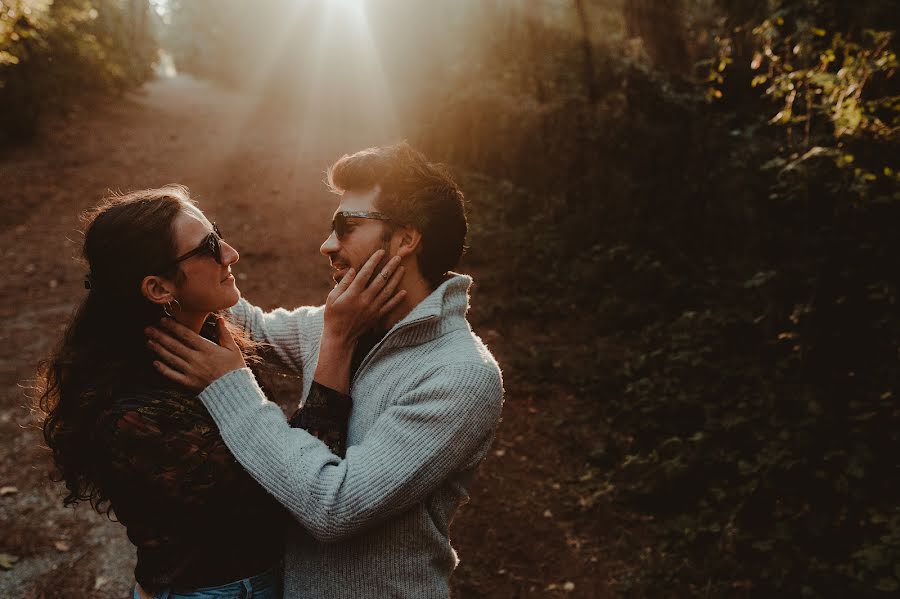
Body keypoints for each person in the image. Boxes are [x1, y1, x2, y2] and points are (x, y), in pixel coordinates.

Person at [147, 143, 505, 599]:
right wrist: (178, 256)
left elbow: (333, 506)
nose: (327, 245)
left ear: (405, 240)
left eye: (346, 227)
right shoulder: (339, 321)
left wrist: (229, 387)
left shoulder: (459, 376)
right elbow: (248, 324)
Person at [37, 185, 404, 599]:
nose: (230, 253)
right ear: (159, 289)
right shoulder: (134, 415)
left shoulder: (208, 342)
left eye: (218, 233)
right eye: (208, 247)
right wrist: (337, 340)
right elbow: (292, 494)